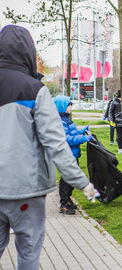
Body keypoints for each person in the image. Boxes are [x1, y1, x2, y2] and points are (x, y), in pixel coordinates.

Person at [0, 25, 96, 269]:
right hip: (27, 191)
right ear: (29, 52)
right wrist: (82, 183)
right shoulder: (35, 90)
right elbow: (56, 144)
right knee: (29, 254)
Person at [53, 95, 93, 214]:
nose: (71, 107)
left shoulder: (66, 119)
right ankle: (63, 204)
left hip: (73, 154)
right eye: (68, 105)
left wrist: (82, 131)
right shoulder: (60, 122)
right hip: (66, 155)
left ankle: (68, 199)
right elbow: (68, 139)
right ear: (61, 107)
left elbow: (73, 133)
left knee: (71, 180)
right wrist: (84, 138)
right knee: (66, 180)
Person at [109, 89, 122, 154]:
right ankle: (120, 148)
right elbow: (110, 112)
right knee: (119, 136)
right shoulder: (114, 102)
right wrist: (111, 120)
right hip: (118, 122)